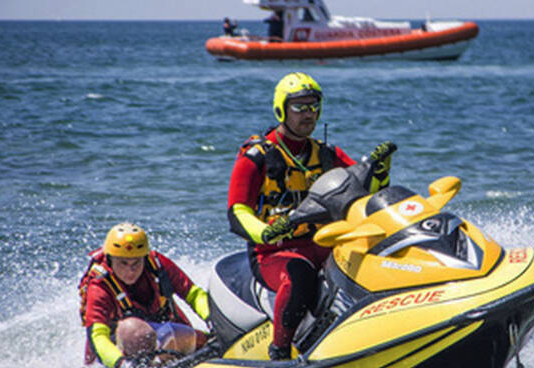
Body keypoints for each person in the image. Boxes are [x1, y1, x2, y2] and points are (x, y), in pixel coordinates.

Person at [227, 72, 393, 360]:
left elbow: (362, 196)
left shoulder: (327, 154)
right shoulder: (256, 156)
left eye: (313, 106)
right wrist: (265, 232)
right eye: (299, 107)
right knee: (299, 276)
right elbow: (237, 211)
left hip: (324, 241)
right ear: (282, 109)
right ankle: (280, 353)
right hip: (273, 252)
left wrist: (379, 174)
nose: (308, 114)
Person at [79, 223, 213, 367]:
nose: (130, 271)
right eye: (123, 263)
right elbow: (98, 336)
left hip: (167, 332)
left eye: (136, 263)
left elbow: (193, 294)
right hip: (119, 350)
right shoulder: (99, 286)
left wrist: (213, 321)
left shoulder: (157, 264)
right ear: (111, 260)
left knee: (210, 342)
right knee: (135, 332)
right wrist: (123, 364)